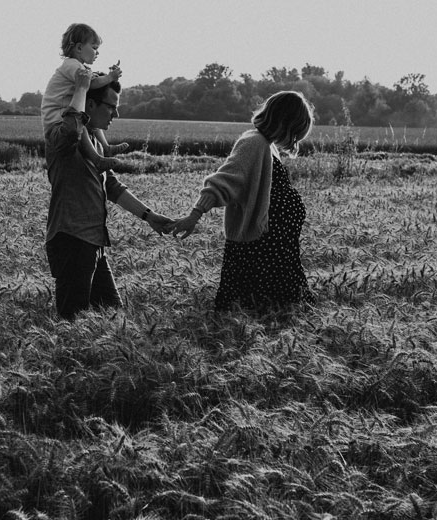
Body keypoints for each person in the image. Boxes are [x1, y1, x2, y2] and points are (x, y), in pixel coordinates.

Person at [169, 91, 316, 312]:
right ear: (284, 123)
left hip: (274, 249)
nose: (293, 142)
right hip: (258, 249)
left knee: (277, 312)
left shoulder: (267, 145)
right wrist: (195, 214)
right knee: (255, 311)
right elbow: (223, 181)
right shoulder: (253, 143)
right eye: (294, 134)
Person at [44, 67, 171, 320]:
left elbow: (110, 186)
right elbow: (71, 130)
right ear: (89, 105)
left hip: (94, 243)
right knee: (74, 321)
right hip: (72, 240)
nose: (117, 113)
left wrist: (149, 216)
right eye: (111, 106)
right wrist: (80, 88)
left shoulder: (96, 143)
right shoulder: (62, 137)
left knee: (113, 317)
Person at [41, 23, 129, 173]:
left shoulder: (80, 67)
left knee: (89, 121)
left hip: (64, 115)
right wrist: (110, 77)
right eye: (94, 48)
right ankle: (97, 159)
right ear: (79, 48)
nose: (97, 53)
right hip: (57, 120)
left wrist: (109, 76)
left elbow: (94, 80)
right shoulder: (71, 65)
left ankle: (106, 148)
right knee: (82, 127)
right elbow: (92, 83)